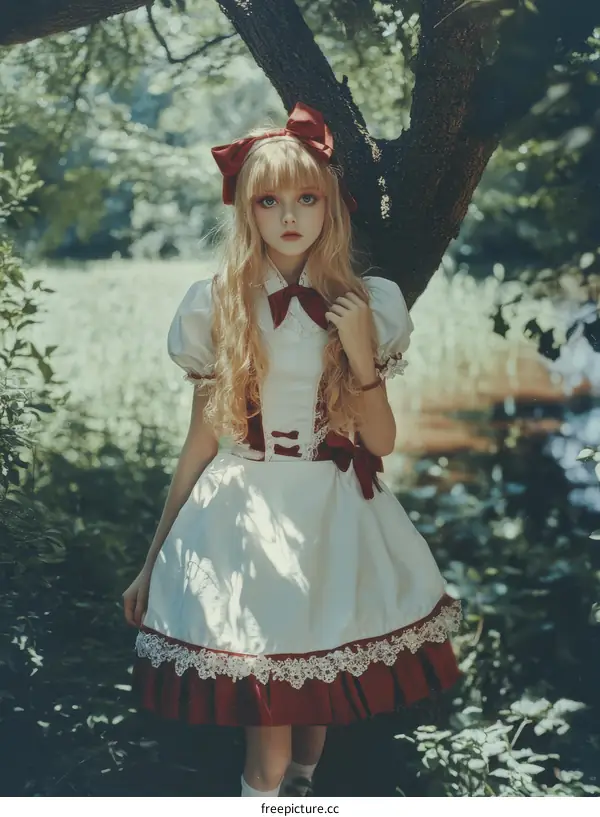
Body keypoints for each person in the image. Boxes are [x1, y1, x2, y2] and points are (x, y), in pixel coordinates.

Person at [122, 102, 461, 798]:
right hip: (241, 524)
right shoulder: (216, 304)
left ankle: (307, 794)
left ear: (331, 204)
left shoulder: (369, 301)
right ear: (247, 211)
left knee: (315, 709)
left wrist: (361, 350)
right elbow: (198, 442)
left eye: (307, 197)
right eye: (269, 200)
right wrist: (151, 562)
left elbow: (385, 443)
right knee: (267, 744)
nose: (289, 215)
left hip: (334, 517)